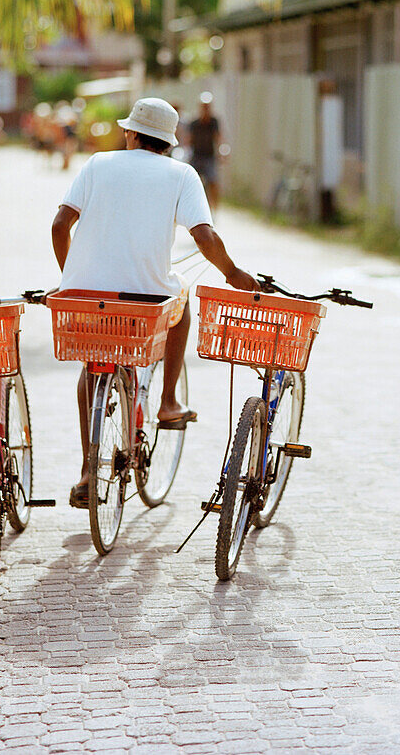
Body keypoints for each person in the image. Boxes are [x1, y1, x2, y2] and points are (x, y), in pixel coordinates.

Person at [50, 96, 258, 509]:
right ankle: (167, 402)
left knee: (92, 367)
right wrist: (233, 274)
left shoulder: (96, 165)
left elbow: (59, 225)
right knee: (181, 305)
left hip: (85, 298)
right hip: (146, 300)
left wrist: (71, 280)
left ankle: (89, 471)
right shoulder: (182, 174)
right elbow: (204, 237)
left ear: (130, 133)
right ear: (169, 140)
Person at [188, 92, 222, 210]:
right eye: (204, 106)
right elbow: (189, 140)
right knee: (190, 180)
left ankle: (214, 208)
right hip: (196, 156)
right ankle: (191, 205)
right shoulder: (194, 123)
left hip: (209, 156)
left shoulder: (214, 122)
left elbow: (218, 138)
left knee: (213, 181)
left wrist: (222, 152)